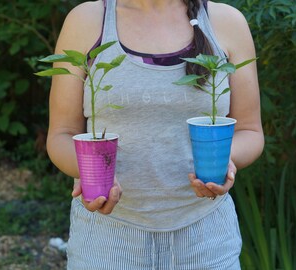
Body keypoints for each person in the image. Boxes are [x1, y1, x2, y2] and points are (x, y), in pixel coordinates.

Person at [47, 0, 264, 269]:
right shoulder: (89, 20)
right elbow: (61, 134)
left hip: (206, 239)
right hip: (107, 240)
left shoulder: (226, 22)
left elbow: (250, 130)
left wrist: (224, 161)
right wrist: (89, 170)